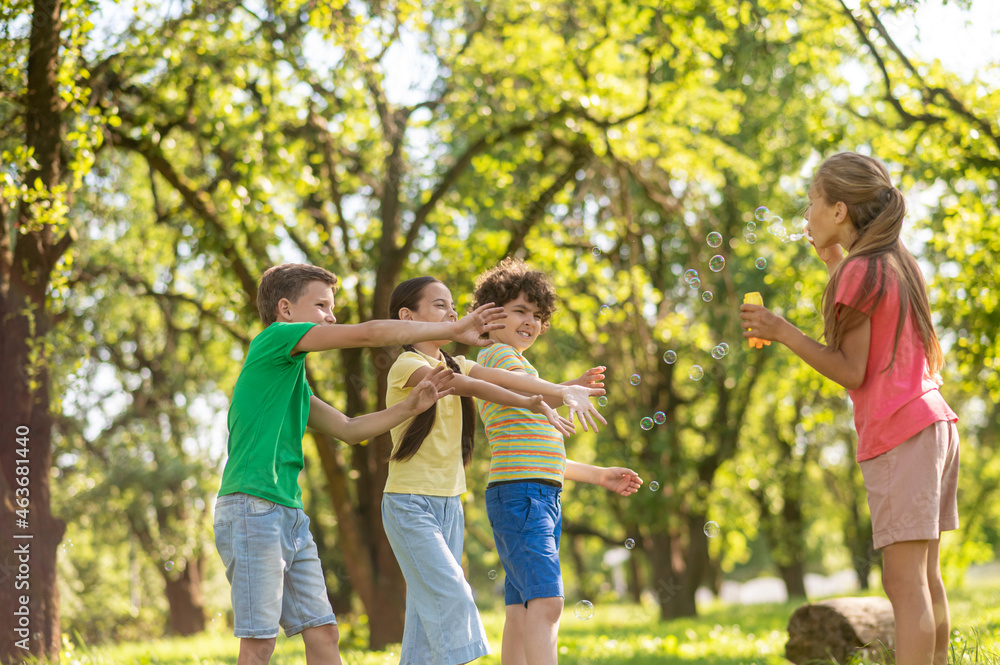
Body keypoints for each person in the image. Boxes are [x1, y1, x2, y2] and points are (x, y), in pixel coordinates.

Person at [213, 263, 509, 665]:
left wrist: (411, 406)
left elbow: (350, 429)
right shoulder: (273, 340)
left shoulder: (290, 380)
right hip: (252, 508)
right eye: (321, 306)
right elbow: (368, 334)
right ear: (285, 310)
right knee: (260, 642)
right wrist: (450, 330)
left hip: (287, 512)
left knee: (323, 632)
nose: (331, 316)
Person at [739, 152, 959, 665]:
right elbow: (884, 343)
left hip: (900, 430)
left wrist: (781, 330)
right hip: (933, 423)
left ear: (839, 210)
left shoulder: (861, 270)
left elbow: (852, 370)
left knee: (904, 585)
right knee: (926, 578)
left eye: (812, 202)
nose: (808, 214)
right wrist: (837, 266)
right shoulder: (894, 261)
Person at [380, 276, 607, 665]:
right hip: (410, 501)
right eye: (441, 306)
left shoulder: (462, 361)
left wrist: (557, 390)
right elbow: (467, 384)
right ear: (408, 316)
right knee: (454, 595)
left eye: (453, 307)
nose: (453, 314)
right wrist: (539, 398)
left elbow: (504, 380)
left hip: (450, 502)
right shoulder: (409, 364)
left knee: (423, 616)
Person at [471, 258, 643, 665]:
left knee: (523, 609)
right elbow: (526, 388)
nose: (530, 321)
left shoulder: (522, 368)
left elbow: (542, 457)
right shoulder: (497, 356)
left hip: (533, 493)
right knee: (547, 604)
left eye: (537, 314)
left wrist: (598, 475)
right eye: (518, 311)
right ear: (490, 316)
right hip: (523, 497)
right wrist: (563, 389)